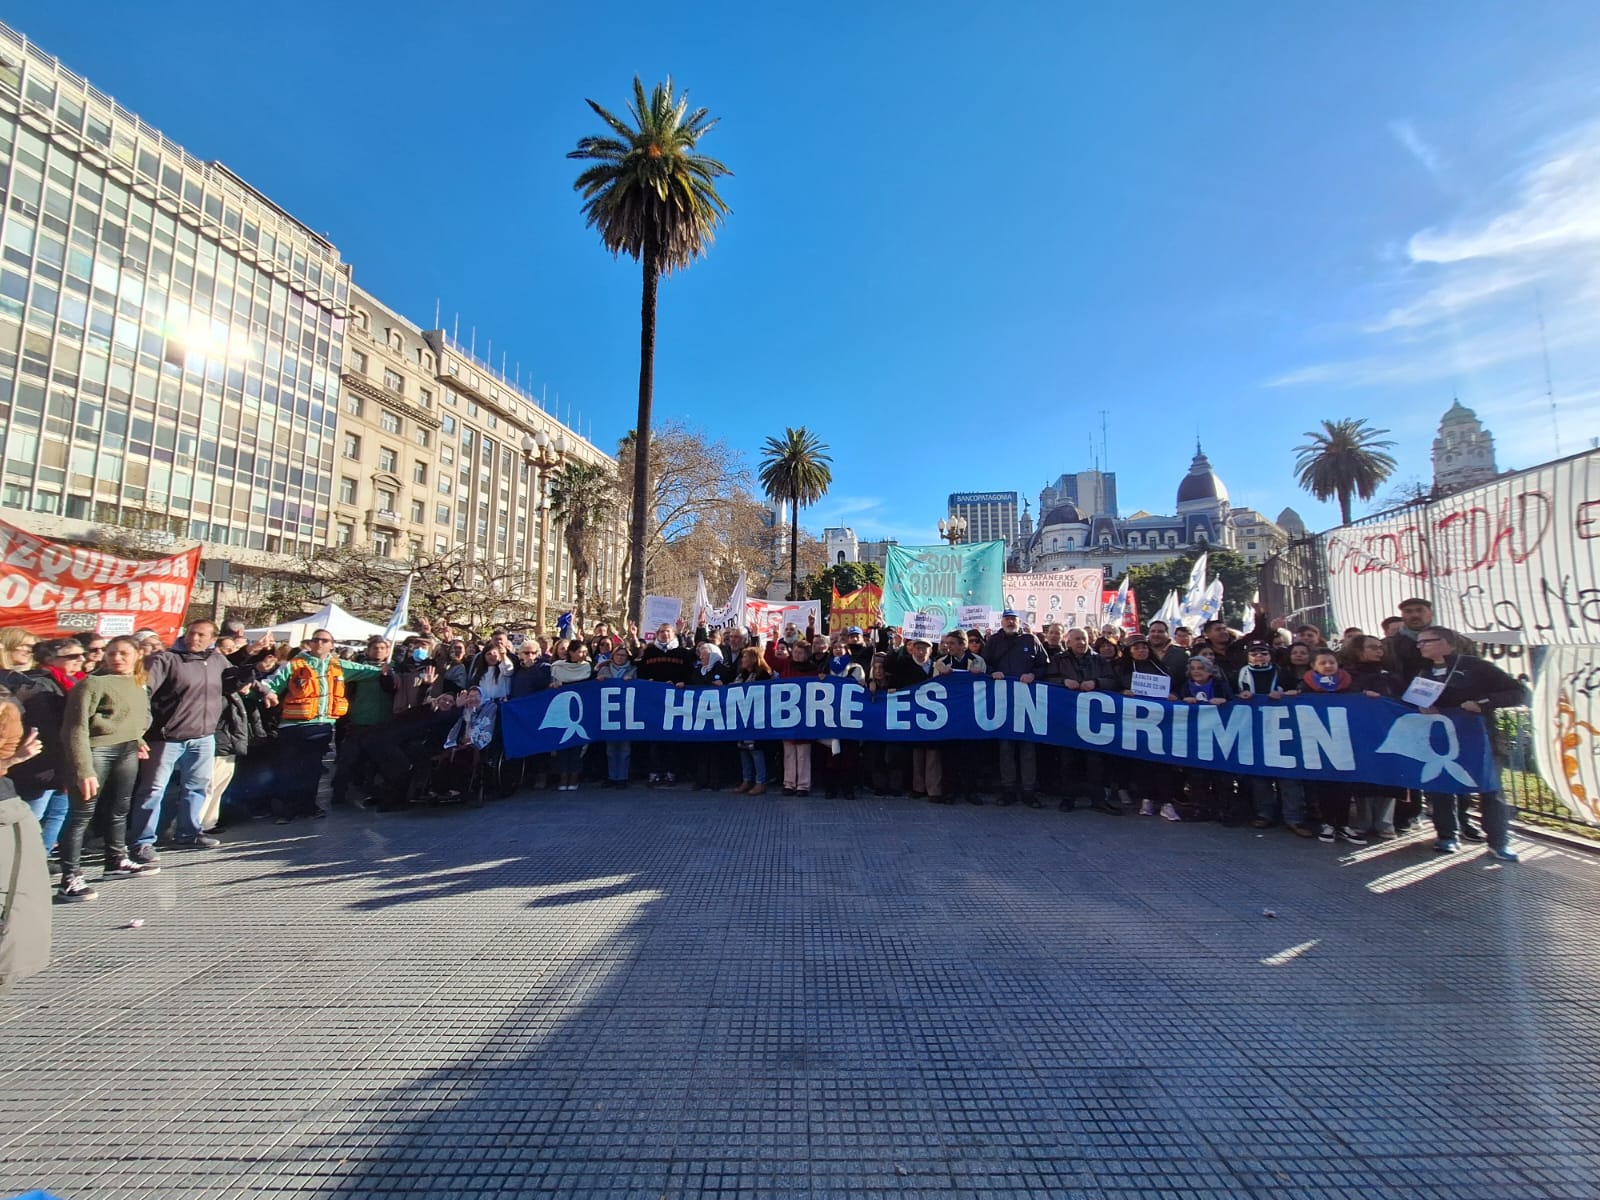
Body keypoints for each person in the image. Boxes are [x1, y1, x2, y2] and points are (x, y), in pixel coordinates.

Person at [1412, 626, 1527, 860]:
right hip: (1441, 741)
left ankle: (1498, 841)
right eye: (1419, 643)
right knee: (1442, 787)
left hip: (1481, 739)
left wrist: (1483, 702)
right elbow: (1414, 700)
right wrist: (1421, 706)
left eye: (1427, 641)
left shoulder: (1477, 667)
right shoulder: (1423, 671)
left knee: (1490, 789)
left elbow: (1518, 692)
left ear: (1446, 643)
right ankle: (1447, 836)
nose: (1420, 646)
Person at [55, 637, 154, 902]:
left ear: (137, 655)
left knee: (119, 809)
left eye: (123, 653)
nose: (116, 658)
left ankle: (115, 861)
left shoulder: (137, 682)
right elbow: (75, 729)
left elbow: (133, 717)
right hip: (97, 751)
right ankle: (70, 877)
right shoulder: (92, 683)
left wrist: (138, 740)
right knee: (82, 814)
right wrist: (83, 769)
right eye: (111, 653)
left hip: (127, 750)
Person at [129, 620, 234, 862]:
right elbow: (145, 691)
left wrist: (260, 684)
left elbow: (232, 679)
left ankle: (188, 832)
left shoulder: (217, 660)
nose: (193, 638)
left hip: (203, 736)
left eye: (200, 635)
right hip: (168, 737)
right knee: (153, 790)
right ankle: (142, 842)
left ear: (212, 639)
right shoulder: (167, 659)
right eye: (191, 633)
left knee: (197, 787)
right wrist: (140, 726)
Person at [259, 629, 387, 823]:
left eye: (324, 640)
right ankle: (286, 810)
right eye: (316, 639)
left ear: (331, 645)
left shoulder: (338, 665)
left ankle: (308, 806)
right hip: (292, 725)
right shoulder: (294, 665)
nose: (319, 643)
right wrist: (263, 690)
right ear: (310, 643)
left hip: (320, 726)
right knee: (290, 769)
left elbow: (368, 671)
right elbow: (272, 683)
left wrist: (387, 669)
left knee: (312, 769)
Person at [1044, 626, 1117, 814]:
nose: (1081, 642)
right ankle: (1068, 798)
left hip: (1093, 716)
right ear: (1068, 641)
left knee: (1095, 760)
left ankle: (1098, 799)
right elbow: (1047, 679)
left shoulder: (1099, 660)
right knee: (1068, 759)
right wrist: (1063, 682)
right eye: (1077, 639)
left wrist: (1096, 683)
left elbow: (1112, 680)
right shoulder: (1059, 659)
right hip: (1068, 716)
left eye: (1084, 639)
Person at [983, 609, 1048, 807]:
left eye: (1013, 619)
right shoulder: (994, 641)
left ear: (1019, 621)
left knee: (1027, 747)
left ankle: (1028, 791)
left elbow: (1045, 665)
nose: (1010, 622)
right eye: (1007, 619)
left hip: (1027, 700)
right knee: (1006, 747)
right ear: (1002, 621)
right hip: (1003, 700)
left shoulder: (1031, 640)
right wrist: (993, 672)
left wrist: (1033, 675)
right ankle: (1008, 789)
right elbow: (984, 664)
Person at [888, 634, 942, 802]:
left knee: (933, 753)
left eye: (924, 648)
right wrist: (894, 646)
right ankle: (918, 787)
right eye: (918, 648)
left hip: (935, 716)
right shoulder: (903, 664)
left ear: (930, 650)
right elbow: (889, 667)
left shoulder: (938, 666)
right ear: (912, 649)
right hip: (913, 715)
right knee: (917, 753)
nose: (920, 652)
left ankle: (934, 790)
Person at [548, 641, 594, 791]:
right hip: (562, 709)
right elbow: (551, 684)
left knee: (577, 744)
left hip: (581, 710)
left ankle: (574, 776)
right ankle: (563, 776)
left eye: (585, 652)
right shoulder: (557, 667)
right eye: (580, 652)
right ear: (571, 652)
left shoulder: (587, 667)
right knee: (562, 744)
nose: (584, 655)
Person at [730, 647, 773, 796]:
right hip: (742, 716)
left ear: (754, 659)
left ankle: (760, 782)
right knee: (743, 749)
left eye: (746, 657)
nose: (743, 660)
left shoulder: (764, 675)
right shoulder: (742, 674)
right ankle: (746, 779)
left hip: (757, 718)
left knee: (755, 750)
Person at [594, 644, 636, 788]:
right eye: (618, 655)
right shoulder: (605, 669)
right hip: (608, 713)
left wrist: (633, 681)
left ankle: (623, 777)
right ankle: (612, 777)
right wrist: (599, 679)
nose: (620, 658)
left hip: (627, 713)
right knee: (611, 748)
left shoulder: (633, 670)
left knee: (625, 748)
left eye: (623, 655)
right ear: (613, 656)